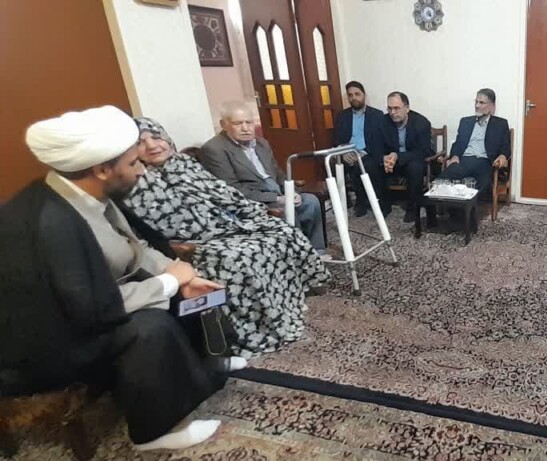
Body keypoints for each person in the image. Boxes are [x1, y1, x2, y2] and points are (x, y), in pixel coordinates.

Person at [0, 106, 245, 451]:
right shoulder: (51, 224)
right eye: (133, 163)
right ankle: (155, 430)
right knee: (149, 326)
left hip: (92, 306)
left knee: (186, 289)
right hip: (49, 343)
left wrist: (177, 274)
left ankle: (208, 365)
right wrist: (167, 283)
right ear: (102, 169)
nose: (142, 170)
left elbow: (134, 247)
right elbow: (86, 308)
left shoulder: (83, 194)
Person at [124, 117, 331, 357]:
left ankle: (288, 301)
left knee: (282, 231)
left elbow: (224, 193)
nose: (152, 145)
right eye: (141, 142)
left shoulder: (184, 163)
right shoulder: (135, 179)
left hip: (226, 223)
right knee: (240, 257)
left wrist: (255, 212)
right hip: (191, 241)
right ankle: (256, 326)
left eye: (156, 137)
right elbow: (151, 227)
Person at [198, 101, 327, 255]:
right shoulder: (214, 149)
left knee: (310, 201)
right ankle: (299, 255)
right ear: (223, 125)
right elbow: (232, 189)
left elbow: (278, 173)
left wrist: (292, 191)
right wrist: (278, 199)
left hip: (278, 193)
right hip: (253, 201)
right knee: (286, 209)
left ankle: (317, 250)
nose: (245, 128)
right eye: (238, 123)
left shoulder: (261, 143)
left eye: (249, 122)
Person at [439, 88, 512, 199]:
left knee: (484, 185)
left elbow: (506, 146)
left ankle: (468, 206)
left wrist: (502, 156)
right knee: (442, 179)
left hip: (486, 162)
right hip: (465, 160)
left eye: (481, 103)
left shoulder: (500, 124)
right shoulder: (465, 122)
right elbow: (458, 143)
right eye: (476, 102)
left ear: (492, 106)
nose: (477, 105)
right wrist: (455, 156)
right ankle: (454, 206)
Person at [333, 81, 390, 217]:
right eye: (350, 95)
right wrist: (343, 151)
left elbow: (379, 140)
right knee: (331, 163)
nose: (354, 98)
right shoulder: (343, 116)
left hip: (368, 152)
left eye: (357, 94)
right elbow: (337, 139)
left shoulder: (376, 115)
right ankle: (343, 201)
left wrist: (362, 153)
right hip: (348, 152)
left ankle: (365, 201)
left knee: (365, 165)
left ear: (364, 95)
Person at [381, 91, 434, 222]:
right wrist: (384, 158)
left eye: (396, 108)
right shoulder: (383, 121)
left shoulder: (421, 123)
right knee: (372, 164)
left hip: (412, 160)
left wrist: (397, 156)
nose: (392, 112)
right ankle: (383, 205)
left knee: (415, 167)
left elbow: (423, 151)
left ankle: (413, 208)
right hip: (391, 161)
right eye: (389, 108)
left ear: (407, 108)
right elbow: (376, 145)